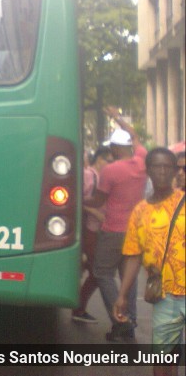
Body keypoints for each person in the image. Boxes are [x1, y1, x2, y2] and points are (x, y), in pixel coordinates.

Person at [113, 148, 185, 376]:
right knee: (164, 359)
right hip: (165, 296)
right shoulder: (140, 212)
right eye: (157, 166)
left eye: (167, 167)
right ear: (148, 171)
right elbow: (133, 255)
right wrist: (122, 295)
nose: (162, 171)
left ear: (175, 171)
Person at [84, 106, 148, 341]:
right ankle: (128, 323)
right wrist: (118, 118)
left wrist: (78, 198)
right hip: (136, 230)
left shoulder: (111, 170)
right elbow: (135, 135)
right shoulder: (142, 160)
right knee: (127, 278)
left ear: (113, 148)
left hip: (113, 230)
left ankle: (121, 319)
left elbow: (98, 199)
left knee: (102, 272)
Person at [72, 145, 113, 323]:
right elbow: (75, 199)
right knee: (97, 272)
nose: (110, 165)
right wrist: (94, 212)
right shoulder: (89, 175)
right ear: (99, 159)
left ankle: (79, 308)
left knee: (96, 272)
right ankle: (78, 308)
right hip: (89, 229)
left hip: (97, 230)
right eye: (108, 161)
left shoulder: (103, 177)